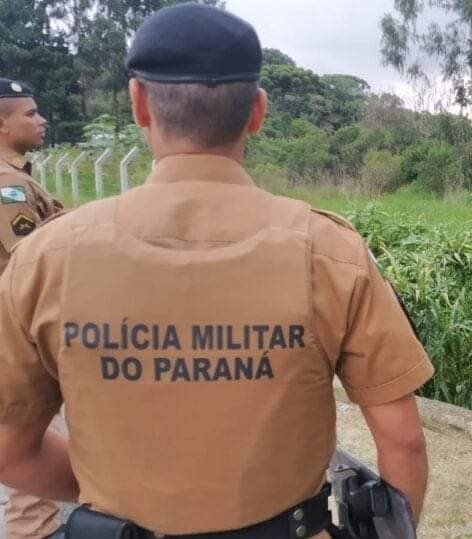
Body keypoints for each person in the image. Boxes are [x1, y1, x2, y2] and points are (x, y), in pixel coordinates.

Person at [0, 4, 434, 538]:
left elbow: (10, 452)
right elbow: (404, 441)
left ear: (139, 104)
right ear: (257, 110)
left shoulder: (44, 259)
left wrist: (117, 491)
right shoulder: (329, 252)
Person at [0, 78, 63, 539]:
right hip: (17, 334)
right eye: (29, 113)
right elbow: (29, 268)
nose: (40, 120)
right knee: (30, 445)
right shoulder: (9, 188)